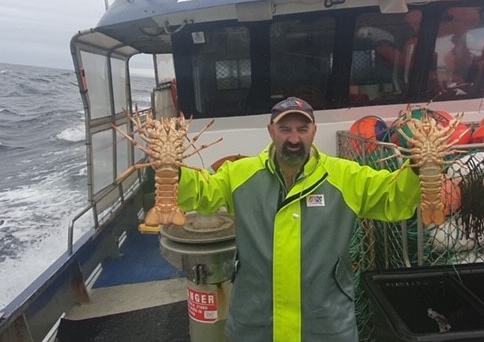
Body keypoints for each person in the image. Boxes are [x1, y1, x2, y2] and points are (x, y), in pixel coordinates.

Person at [176, 97, 422, 342]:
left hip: (325, 324)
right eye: (285, 129)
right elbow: (201, 193)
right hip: (256, 323)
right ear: (271, 131)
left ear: (314, 131)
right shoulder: (239, 174)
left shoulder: (345, 176)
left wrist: (416, 169)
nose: (294, 139)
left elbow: (393, 199)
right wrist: (174, 172)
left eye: (302, 129)